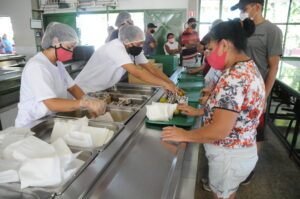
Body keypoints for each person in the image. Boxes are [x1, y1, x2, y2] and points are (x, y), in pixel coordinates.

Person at [162, 18, 265, 199]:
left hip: (229, 155)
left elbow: (219, 131)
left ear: (224, 45)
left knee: (222, 196)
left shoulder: (234, 77)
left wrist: (184, 135)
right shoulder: (247, 67)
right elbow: (236, 111)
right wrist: (202, 110)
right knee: (228, 192)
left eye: (210, 48)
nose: (208, 55)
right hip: (240, 151)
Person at [15, 22, 106, 127]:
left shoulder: (58, 64)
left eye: (73, 48)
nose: (71, 52)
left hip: (48, 120)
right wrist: (84, 104)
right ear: (55, 42)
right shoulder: (37, 66)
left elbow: (73, 88)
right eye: (69, 47)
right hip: (31, 125)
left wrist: (88, 100)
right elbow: (51, 103)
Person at [231, 0, 283, 184]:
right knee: (236, 128)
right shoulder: (240, 28)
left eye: (244, 9)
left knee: (256, 131)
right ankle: (234, 167)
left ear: (257, 7)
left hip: (256, 91)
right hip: (236, 89)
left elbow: (273, 66)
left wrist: (264, 96)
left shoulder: (271, 31)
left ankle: (248, 169)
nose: (241, 13)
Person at [75, 24, 178, 94]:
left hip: (101, 88)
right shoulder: (114, 47)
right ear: (126, 40)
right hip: (84, 89)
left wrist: (170, 83)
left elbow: (151, 68)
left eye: (142, 43)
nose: (141, 46)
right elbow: (137, 72)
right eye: (139, 43)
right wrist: (164, 84)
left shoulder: (133, 48)